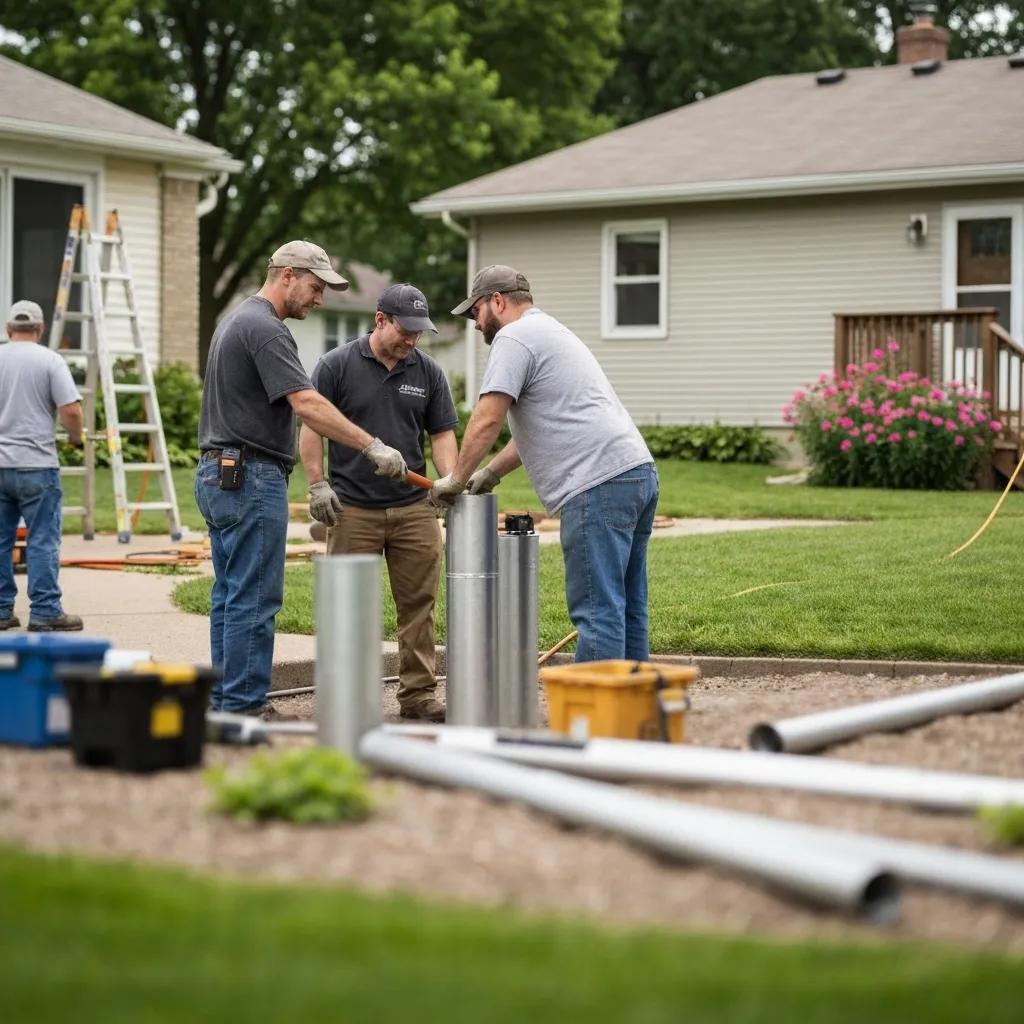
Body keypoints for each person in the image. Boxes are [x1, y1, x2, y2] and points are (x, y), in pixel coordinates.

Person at [196, 241, 409, 717]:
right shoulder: (265, 329)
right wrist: (371, 444)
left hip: (219, 472)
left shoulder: (235, 319)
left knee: (231, 595)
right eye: (316, 288)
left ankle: (225, 701)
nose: (320, 299)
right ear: (287, 275)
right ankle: (245, 709)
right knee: (253, 598)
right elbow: (307, 402)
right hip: (250, 476)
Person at [431, 265, 659, 663]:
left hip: (596, 485)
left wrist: (456, 478)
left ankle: (595, 716)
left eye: (476, 312)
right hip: (635, 472)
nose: (475, 324)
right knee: (627, 605)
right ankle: (636, 712)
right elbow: (536, 432)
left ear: (497, 301)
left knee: (599, 611)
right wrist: (490, 473)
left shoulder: (513, 338)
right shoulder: (550, 330)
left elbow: (488, 417)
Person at [298, 284, 458, 722]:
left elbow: (442, 433)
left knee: (419, 607)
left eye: (419, 333)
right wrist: (317, 485)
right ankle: (346, 696)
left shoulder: (427, 372)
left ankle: (418, 696)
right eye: (406, 330)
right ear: (380, 319)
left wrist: (447, 479)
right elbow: (311, 425)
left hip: (413, 510)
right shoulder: (336, 366)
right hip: (353, 510)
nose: (412, 340)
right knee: (348, 608)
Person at [0, 300, 84, 632]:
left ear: (9, 329)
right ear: (40, 329)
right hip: (37, 465)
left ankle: (2, 611)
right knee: (42, 539)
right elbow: (72, 411)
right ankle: (46, 611)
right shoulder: (50, 360)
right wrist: (75, 438)